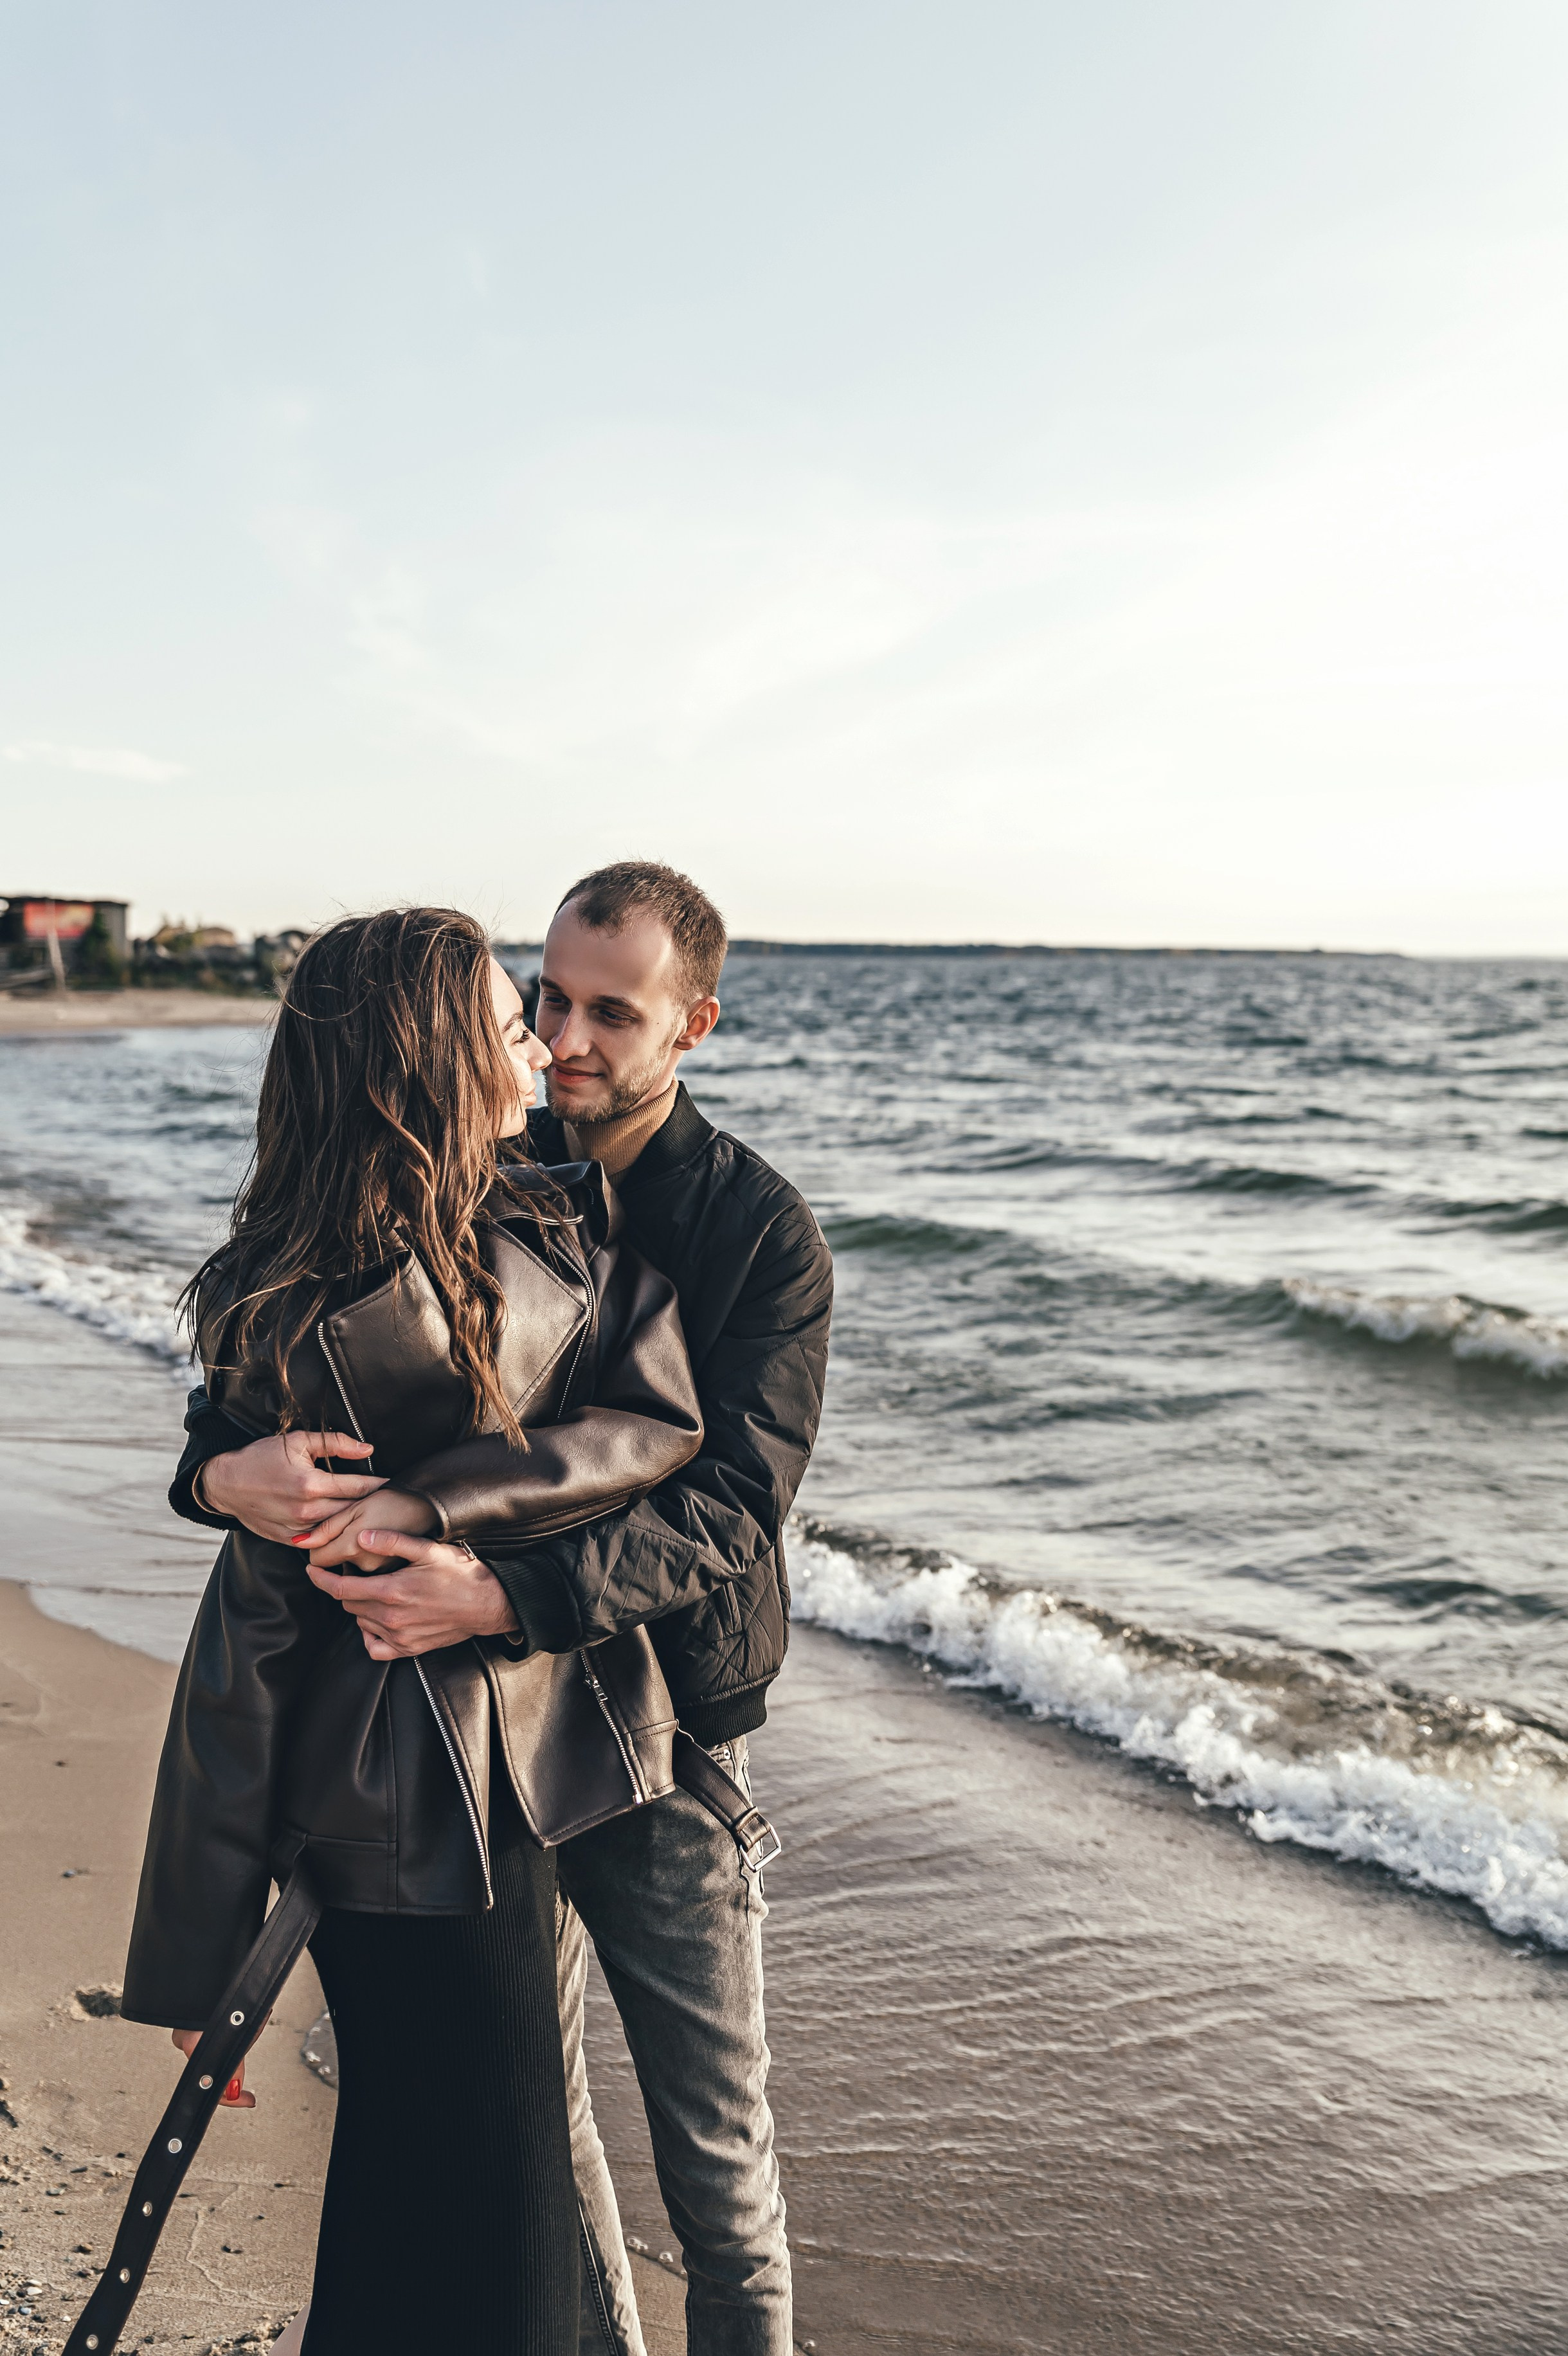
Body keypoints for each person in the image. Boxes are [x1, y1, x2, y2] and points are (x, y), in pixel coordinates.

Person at [172, 862, 834, 2356]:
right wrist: (225, 1479)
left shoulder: (755, 1234)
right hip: (471, 1740)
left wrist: (499, 1592)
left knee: (717, 2167)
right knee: (537, 2138)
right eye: (550, 999)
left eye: (615, 1011)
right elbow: (285, 1372)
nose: (571, 1038)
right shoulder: (470, 1161)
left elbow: (725, 1506)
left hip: (665, 1731)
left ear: (695, 1026)